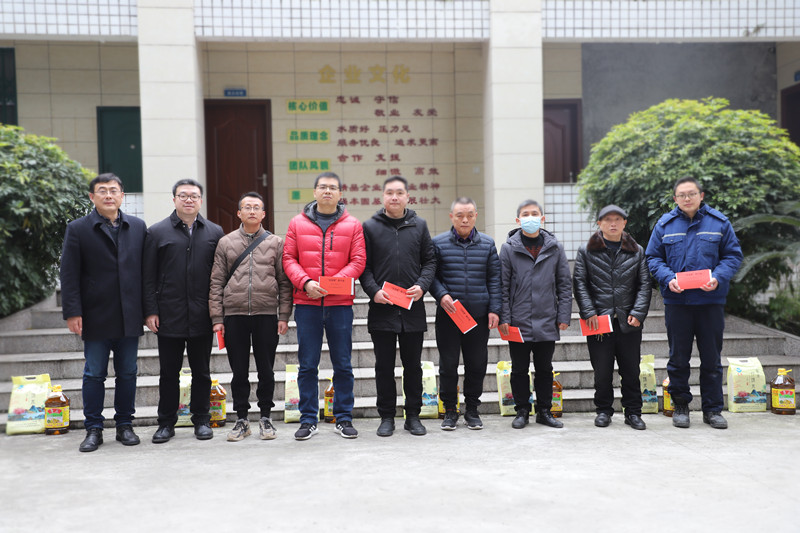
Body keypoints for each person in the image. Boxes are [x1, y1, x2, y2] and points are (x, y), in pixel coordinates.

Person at [645, 177, 743, 430]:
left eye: (691, 194)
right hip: (678, 302)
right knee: (678, 358)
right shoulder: (665, 225)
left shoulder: (719, 223)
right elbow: (653, 258)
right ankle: (680, 405)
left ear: (701, 195)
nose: (687, 198)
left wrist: (717, 277)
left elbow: (733, 256)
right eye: (682, 195)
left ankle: (713, 410)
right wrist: (668, 278)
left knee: (711, 358)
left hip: (710, 302)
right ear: (675, 199)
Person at [60, 173, 147, 452]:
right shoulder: (78, 229)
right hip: (95, 314)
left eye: (113, 190)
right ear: (92, 196)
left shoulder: (137, 227)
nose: (108, 195)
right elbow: (69, 273)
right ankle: (94, 429)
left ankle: (125, 425)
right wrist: (73, 311)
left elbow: (146, 273)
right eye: (102, 190)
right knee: (94, 373)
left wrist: (148, 310)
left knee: (128, 373)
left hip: (129, 314)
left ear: (122, 195)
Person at [283, 172, 366, 440]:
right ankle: (308, 419)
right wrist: (305, 282)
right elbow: (288, 258)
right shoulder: (297, 223)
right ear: (315, 192)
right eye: (323, 187)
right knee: (308, 364)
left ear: (340, 194)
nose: (327, 191)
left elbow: (358, 260)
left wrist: (335, 282)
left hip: (339, 304)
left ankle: (343, 417)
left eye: (333, 188)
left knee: (343, 364)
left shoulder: (353, 225)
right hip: (307, 303)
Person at [143, 179, 224, 443]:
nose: (189, 200)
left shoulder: (214, 232)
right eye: (183, 195)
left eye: (194, 196)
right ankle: (166, 423)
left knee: (202, 372)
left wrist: (217, 313)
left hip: (202, 314)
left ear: (201, 200)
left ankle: (202, 420)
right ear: (174, 199)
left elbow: (220, 276)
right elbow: (148, 276)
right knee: (169, 373)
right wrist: (150, 310)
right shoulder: (157, 232)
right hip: (169, 314)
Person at [209, 192, 292, 441]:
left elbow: (284, 282)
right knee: (239, 371)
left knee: (266, 370)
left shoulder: (276, 243)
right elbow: (216, 282)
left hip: (266, 313)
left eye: (257, 207)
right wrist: (217, 318)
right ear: (239, 213)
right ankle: (242, 419)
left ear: (264, 214)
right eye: (247, 207)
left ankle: (266, 417)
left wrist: (283, 315)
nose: (252, 211)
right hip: (234, 315)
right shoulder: (225, 242)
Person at [360, 176, 437, 437]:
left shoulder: (419, 225)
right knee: (383, 366)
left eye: (399, 193)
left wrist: (422, 286)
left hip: (412, 309)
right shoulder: (370, 227)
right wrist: (374, 291)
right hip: (382, 308)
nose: (394, 197)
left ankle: (413, 416)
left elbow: (430, 261)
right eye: (389, 192)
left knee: (412, 366)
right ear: (382, 196)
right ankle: (386, 417)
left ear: (407, 197)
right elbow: (364, 267)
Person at [573, 205, 651, 430]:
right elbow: (580, 283)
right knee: (602, 371)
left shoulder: (637, 250)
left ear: (625, 222)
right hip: (599, 321)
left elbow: (644, 284)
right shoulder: (586, 251)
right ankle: (603, 411)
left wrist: (638, 313)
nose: (613, 224)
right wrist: (589, 312)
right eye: (607, 220)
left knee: (631, 370)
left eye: (618, 219)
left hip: (629, 321)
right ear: (599, 224)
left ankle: (633, 412)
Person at [498, 199, 571, 430]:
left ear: (542, 218)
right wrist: (504, 318)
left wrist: (564, 315)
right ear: (518, 220)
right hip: (518, 320)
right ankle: (521, 411)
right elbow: (503, 286)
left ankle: (544, 411)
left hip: (547, 318)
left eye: (534, 214)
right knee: (519, 368)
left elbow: (564, 284)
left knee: (545, 368)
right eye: (525, 214)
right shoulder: (508, 248)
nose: (530, 218)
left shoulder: (555, 248)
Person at [430, 197, 501, 431]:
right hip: (449, 316)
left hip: (478, 316)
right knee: (448, 365)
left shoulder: (488, 244)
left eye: (470, 215)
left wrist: (494, 309)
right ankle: (450, 410)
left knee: (477, 364)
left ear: (475, 216)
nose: (465, 220)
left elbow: (495, 278)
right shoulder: (438, 243)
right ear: (451, 216)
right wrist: (441, 294)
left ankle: (472, 410)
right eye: (460, 215)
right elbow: (431, 275)